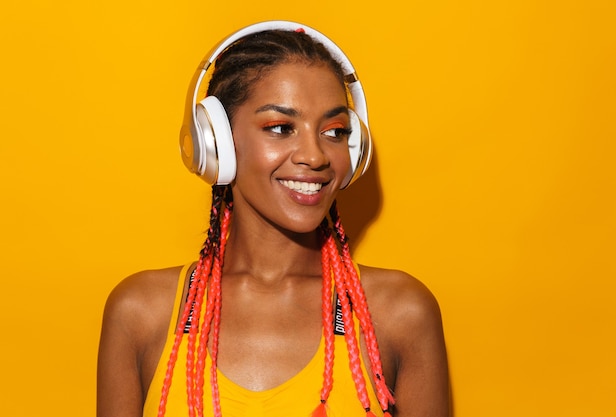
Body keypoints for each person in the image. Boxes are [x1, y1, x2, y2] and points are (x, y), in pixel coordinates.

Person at [97, 21, 450, 417]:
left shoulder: (399, 313)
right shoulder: (141, 312)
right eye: (281, 128)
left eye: (335, 131)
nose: (315, 156)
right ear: (216, 144)